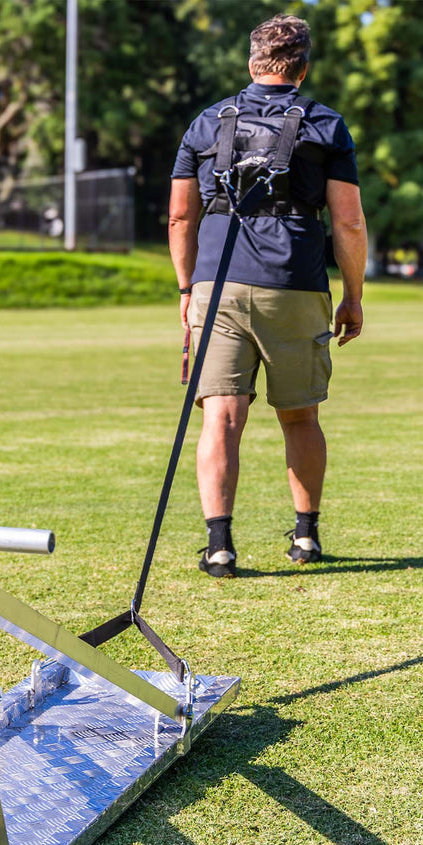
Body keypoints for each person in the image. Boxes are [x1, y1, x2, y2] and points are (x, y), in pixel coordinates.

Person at [169, 14, 367, 578]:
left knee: (221, 420)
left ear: (252, 63)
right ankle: (305, 538)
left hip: (218, 281)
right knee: (300, 416)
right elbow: (348, 223)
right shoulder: (325, 123)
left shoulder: (207, 123)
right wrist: (353, 295)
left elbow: (181, 213)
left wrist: (187, 288)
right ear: (302, 67)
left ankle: (220, 546)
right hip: (295, 283)